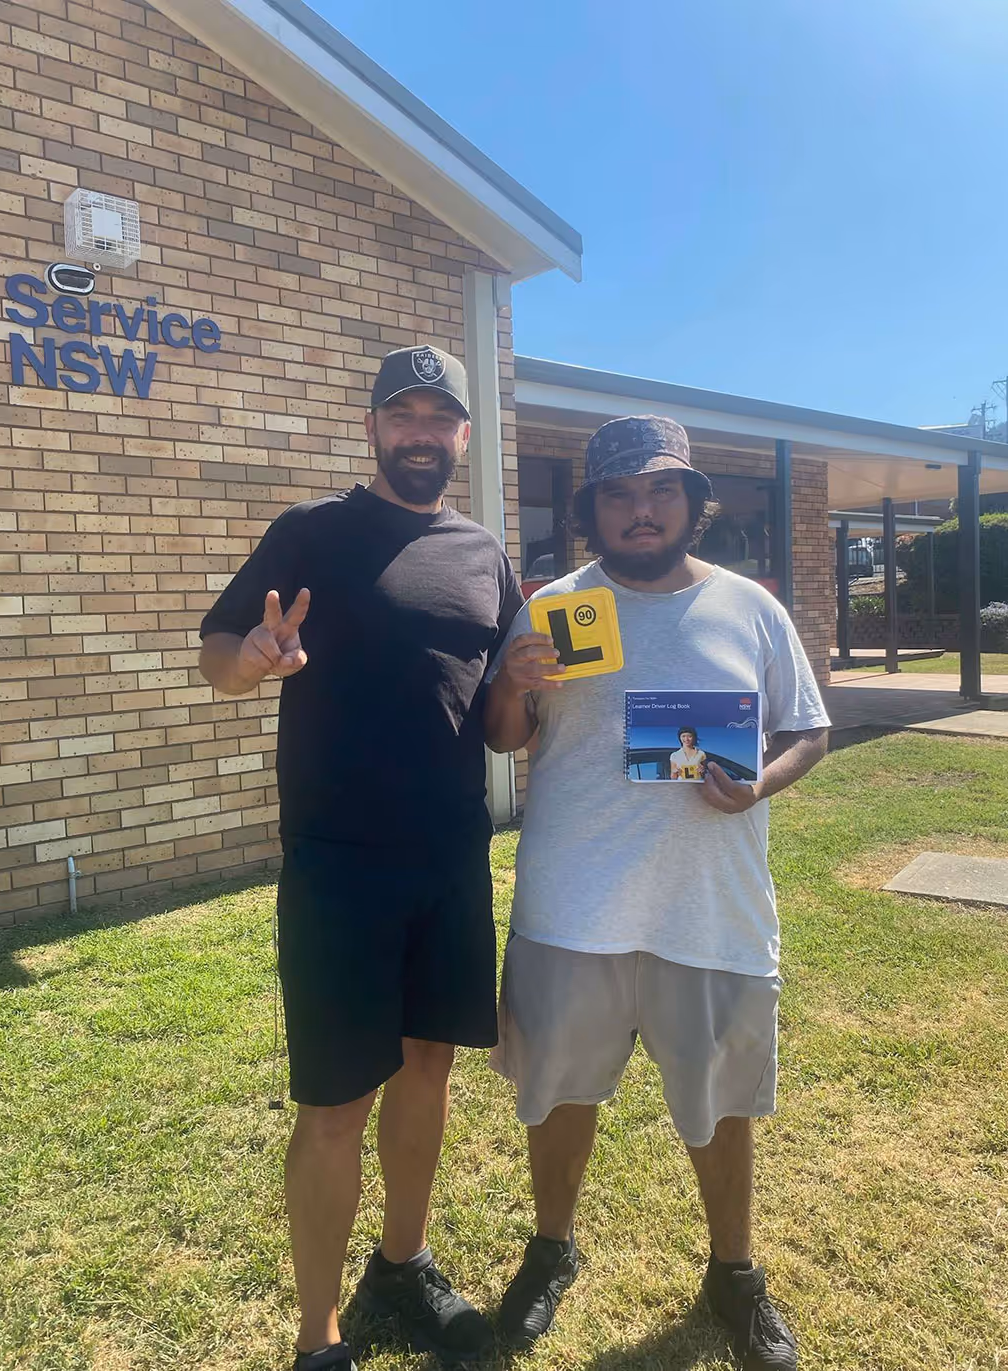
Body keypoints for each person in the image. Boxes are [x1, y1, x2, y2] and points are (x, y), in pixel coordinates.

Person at [199, 345, 523, 1371]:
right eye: (404, 414)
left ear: (463, 437)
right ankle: (318, 1336)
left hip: (450, 858)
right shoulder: (311, 532)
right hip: (339, 866)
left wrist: (535, 682)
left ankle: (403, 1263)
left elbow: (505, 717)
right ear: (374, 427)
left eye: (441, 418)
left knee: (427, 1066)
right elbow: (217, 654)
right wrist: (251, 660)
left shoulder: (483, 554)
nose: (422, 432)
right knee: (335, 1101)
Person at [485, 415, 830, 1370]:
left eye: (662, 491)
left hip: (709, 907)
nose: (642, 510)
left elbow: (809, 729)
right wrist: (513, 681)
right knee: (556, 1096)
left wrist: (760, 779)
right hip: (572, 902)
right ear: (592, 507)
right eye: (621, 494)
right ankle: (550, 1251)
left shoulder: (750, 609)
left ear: (693, 504)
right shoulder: (552, 607)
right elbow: (506, 736)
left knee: (719, 1101)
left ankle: (735, 1273)